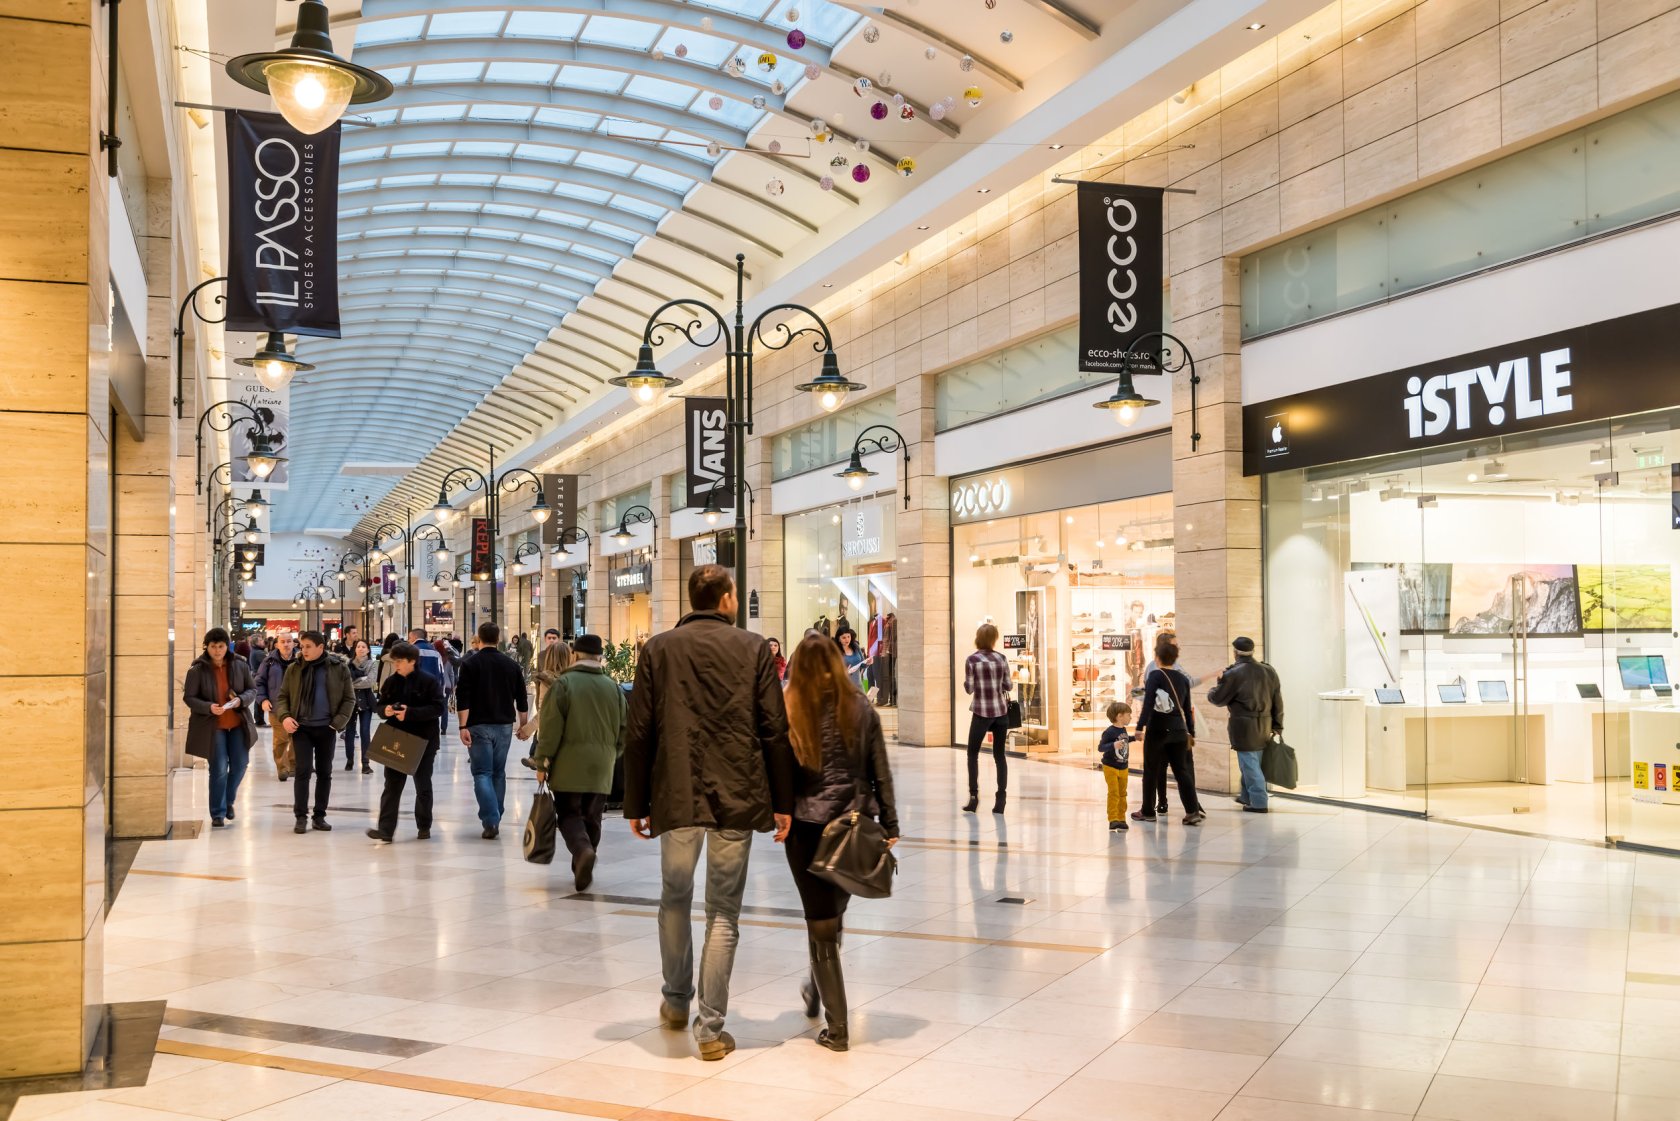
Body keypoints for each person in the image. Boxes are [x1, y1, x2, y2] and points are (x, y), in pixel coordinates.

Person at [623, 564, 792, 1062]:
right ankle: (711, 1029)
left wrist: (635, 802)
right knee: (724, 912)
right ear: (724, 599)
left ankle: (676, 1002)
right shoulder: (754, 648)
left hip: (675, 795)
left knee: (674, 897)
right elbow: (773, 729)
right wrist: (783, 802)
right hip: (736, 796)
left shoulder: (657, 649)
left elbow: (639, 732)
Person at [778, 632, 897, 1052]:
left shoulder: (788, 707)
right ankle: (818, 985)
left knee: (820, 920)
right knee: (832, 912)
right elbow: (880, 767)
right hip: (853, 823)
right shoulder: (860, 706)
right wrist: (890, 821)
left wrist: (777, 812)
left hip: (807, 829)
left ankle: (838, 1025)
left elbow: (778, 772)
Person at [532, 634, 627, 890]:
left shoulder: (564, 685)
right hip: (602, 766)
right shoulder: (613, 688)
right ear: (600, 657)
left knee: (569, 814)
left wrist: (542, 763)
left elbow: (550, 730)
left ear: (575, 655)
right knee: (593, 816)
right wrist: (611, 753)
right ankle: (583, 861)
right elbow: (625, 730)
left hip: (568, 766)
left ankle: (583, 851)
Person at [274, 630, 356, 834]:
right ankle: (300, 816)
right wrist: (285, 717)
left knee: (324, 772)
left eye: (308, 646)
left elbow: (349, 699)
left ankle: (319, 816)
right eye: (302, 646)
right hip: (301, 728)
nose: (304, 650)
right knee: (302, 771)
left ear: (321, 647)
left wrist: (337, 723)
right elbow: (283, 697)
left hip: (326, 728)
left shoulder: (339, 668)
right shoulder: (294, 669)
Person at [455, 621, 530, 839]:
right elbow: (522, 698)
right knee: (498, 772)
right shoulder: (511, 665)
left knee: (481, 773)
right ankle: (496, 814)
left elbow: (463, 698)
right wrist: (523, 724)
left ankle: (491, 819)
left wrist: (462, 726)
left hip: (477, 725)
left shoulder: (470, 664)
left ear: (478, 638)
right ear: (498, 639)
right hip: (504, 726)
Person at [366, 641, 445, 843]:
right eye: (395, 661)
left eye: (400, 661)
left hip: (423, 741)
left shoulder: (429, 681)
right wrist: (387, 710)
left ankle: (424, 826)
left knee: (423, 785)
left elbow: (437, 708)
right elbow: (380, 706)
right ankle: (385, 830)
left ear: (413, 661)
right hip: (396, 739)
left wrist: (410, 713)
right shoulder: (392, 682)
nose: (396, 665)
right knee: (392, 785)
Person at [183, 627, 261, 828]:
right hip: (213, 726)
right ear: (206, 647)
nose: (217, 651)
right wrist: (208, 707)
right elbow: (189, 697)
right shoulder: (197, 669)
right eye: (213, 646)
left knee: (240, 764)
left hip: (237, 723)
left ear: (227, 646)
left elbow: (252, 689)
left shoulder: (240, 665)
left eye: (221, 646)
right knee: (218, 769)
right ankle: (217, 813)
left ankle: (228, 800)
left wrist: (241, 700)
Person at [1207, 636, 1284, 814]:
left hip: (1243, 725)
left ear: (1235, 653)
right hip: (1265, 724)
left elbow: (1217, 699)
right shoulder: (1269, 671)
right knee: (1252, 761)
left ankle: (1259, 802)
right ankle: (1246, 796)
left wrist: (1214, 687)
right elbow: (1278, 700)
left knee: (1249, 763)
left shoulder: (1233, 673)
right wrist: (1278, 725)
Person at [1134, 636, 1204, 825]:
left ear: (1158, 657)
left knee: (1151, 770)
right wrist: (1191, 732)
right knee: (1182, 771)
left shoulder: (1156, 675)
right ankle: (1192, 811)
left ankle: (1148, 811)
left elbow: (1148, 703)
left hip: (1158, 728)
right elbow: (1187, 707)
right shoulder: (1182, 678)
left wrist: (1140, 727)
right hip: (1179, 730)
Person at [962, 623, 1013, 815]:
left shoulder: (972, 660)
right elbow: (1008, 686)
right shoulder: (1002, 658)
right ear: (994, 639)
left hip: (981, 712)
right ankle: (1001, 799)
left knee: (972, 754)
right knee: (1000, 756)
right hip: (1001, 713)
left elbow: (969, 688)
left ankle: (974, 797)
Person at [255, 631, 298, 780]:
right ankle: (282, 768)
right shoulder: (269, 661)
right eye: (283, 641)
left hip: (298, 707)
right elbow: (259, 682)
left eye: (289, 641)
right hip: (277, 706)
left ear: (293, 643)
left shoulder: (301, 659)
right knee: (280, 739)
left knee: (297, 738)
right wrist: (263, 699)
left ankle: (293, 765)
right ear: (277, 644)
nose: (286, 644)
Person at [1099, 700, 1134, 831]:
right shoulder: (1109, 732)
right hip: (1110, 767)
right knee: (1113, 793)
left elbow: (1125, 740)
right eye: (1128, 715)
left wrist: (1135, 738)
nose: (1130, 717)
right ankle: (1113, 819)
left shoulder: (1123, 730)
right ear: (1119, 716)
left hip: (1123, 767)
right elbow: (1101, 747)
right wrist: (1113, 745)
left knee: (1122, 793)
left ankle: (1121, 818)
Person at [344, 639, 377, 773]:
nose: (361, 649)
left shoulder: (372, 664)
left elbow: (370, 682)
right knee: (349, 732)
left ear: (368, 650)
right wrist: (360, 680)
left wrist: (353, 683)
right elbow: (344, 682)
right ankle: (350, 760)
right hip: (350, 701)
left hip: (366, 702)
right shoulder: (348, 664)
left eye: (364, 646)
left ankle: (365, 763)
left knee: (365, 731)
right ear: (355, 649)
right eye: (358, 646)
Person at [433, 638, 459, 735]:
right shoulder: (448, 659)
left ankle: (435, 727)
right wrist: (452, 686)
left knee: (434, 707)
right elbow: (451, 673)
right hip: (447, 685)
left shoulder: (435, 658)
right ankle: (443, 728)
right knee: (444, 708)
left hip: (437, 685)